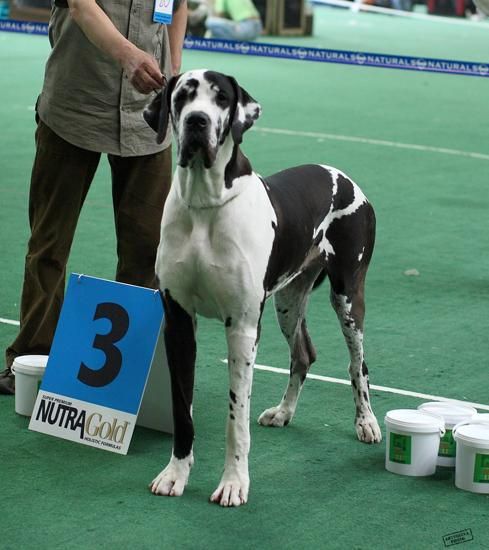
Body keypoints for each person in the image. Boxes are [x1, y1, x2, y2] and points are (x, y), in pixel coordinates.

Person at [0, 0, 188, 395]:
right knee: (49, 244)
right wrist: (129, 56)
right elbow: (81, 7)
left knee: (146, 252)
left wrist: (173, 68)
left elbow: (179, 5)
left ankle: (126, 375)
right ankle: (31, 361)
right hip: (75, 105)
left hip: (148, 118)